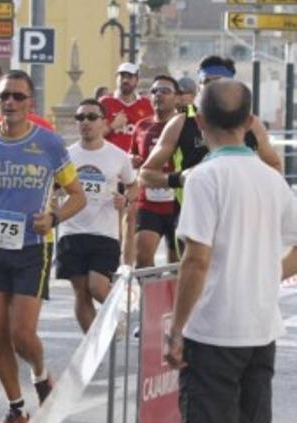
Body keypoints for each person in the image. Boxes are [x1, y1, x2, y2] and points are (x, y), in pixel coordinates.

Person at [166, 79, 294, 423]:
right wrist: (264, 274)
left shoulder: (204, 178)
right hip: (260, 325)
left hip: (214, 328)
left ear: (200, 121)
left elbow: (196, 259)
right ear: (251, 122)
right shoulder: (273, 179)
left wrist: (177, 328)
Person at [0, 70, 86, 423]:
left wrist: (54, 217)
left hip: (31, 248)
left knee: (22, 334)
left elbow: (77, 195)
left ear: (30, 103)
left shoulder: (49, 144)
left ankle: (41, 377)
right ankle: (15, 410)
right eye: (4, 96)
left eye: (18, 97)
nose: (9, 102)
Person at [139, 56, 282, 192]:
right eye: (206, 81)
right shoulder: (182, 120)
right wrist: (179, 178)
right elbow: (145, 174)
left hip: (240, 210)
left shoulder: (249, 121)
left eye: (219, 82)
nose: (212, 87)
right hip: (194, 208)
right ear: (199, 87)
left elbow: (275, 166)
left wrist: (255, 185)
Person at [57, 99, 137, 333]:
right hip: (72, 231)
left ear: (104, 122)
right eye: (80, 117)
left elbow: (133, 186)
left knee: (97, 286)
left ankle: (118, 312)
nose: (86, 122)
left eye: (92, 117)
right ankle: (92, 347)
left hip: (104, 232)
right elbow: (52, 186)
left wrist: (127, 199)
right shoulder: (66, 155)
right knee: (81, 292)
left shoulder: (118, 156)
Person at [129, 75, 181, 267]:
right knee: (142, 257)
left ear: (177, 97)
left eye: (165, 91)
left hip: (177, 202)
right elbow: (132, 153)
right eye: (154, 91)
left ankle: (173, 297)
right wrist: (131, 160)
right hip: (149, 202)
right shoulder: (142, 126)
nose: (159, 95)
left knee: (175, 262)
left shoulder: (185, 125)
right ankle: (147, 297)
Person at [99, 62, 153, 152]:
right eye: (122, 76)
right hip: (110, 158)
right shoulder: (105, 102)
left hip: (136, 160)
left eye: (129, 77)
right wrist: (112, 126)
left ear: (137, 80)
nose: (125, 80)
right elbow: (93, 135)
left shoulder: (147, 104)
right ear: (116, 78)